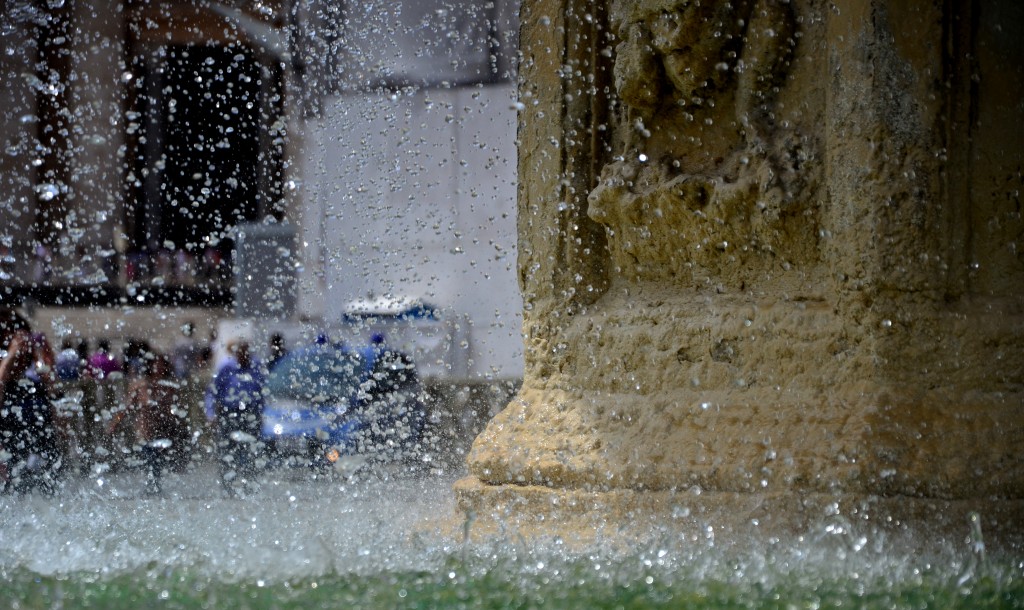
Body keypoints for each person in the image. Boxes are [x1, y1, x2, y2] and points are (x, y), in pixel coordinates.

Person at [0, 317, 61, 493]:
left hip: (42, 461)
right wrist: (9, 359)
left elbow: (61, 421)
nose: (21, 348)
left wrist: (41, 360)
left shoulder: (33, 383)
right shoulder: (4, 381)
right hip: (10, 467)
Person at [120, 354, 189, 495]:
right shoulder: (141, 386)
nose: (159, 368)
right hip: (146, 430)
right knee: (150, 461)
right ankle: (151, 488)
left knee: (160, 462)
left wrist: (181, 426)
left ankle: (156, 489)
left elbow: (177, 409)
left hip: (165, 429)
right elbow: (127, 407)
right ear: (150, 367)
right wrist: (114, 424)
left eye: (163, 365)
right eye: (157, 365)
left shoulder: (170, 387)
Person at [205, 340, 267, 496]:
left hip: (251, 413)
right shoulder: (227, 367)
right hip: (229, 413)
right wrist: (211, 414)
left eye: (246, 351)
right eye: (240, 352)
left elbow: (263, 390)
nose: (243, 355)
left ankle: (249, 485)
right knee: (227, 450)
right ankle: (228, 487)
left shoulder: (256, 366)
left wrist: (263, 412)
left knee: (251, 450)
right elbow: (212, 391)